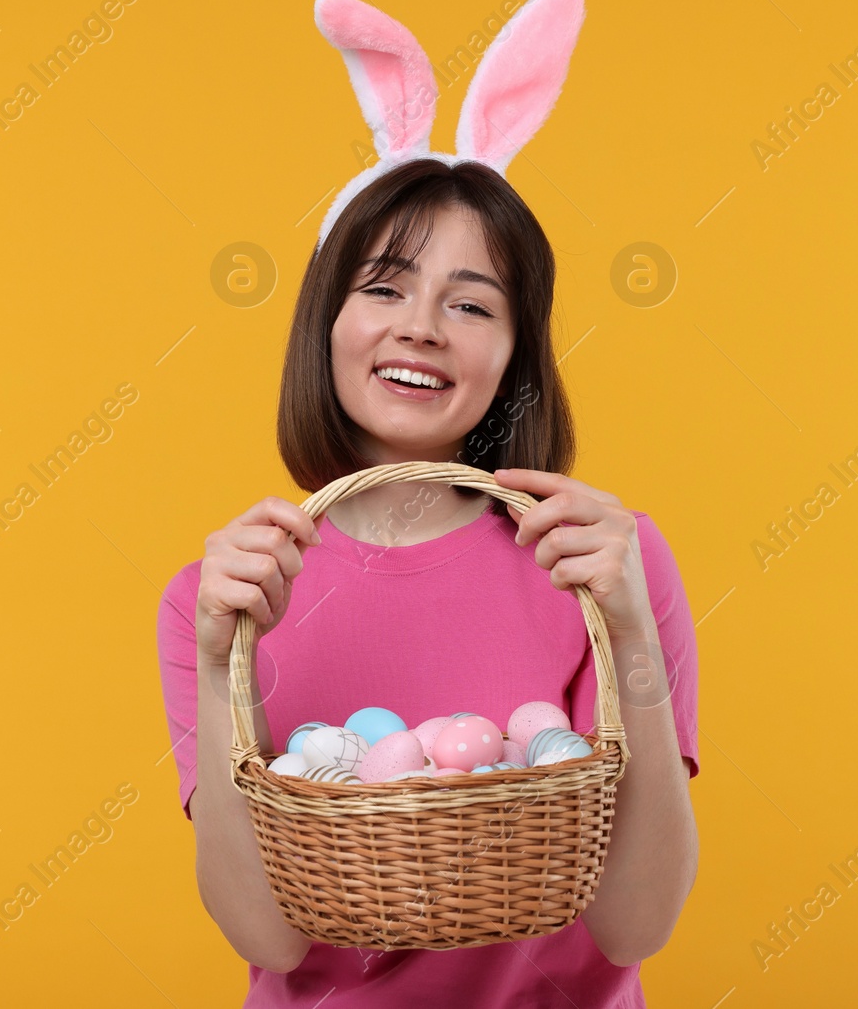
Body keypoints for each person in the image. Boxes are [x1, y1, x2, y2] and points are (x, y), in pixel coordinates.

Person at [155, 154, 701, 1008]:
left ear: (517, 356)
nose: (422, 328)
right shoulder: (225, 594)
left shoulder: (597, 562)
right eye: (384, 288)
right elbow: (267, 935)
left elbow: (635, 926)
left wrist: (631, 628)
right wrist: (226, 664)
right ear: (325, 323)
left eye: (472, 304)